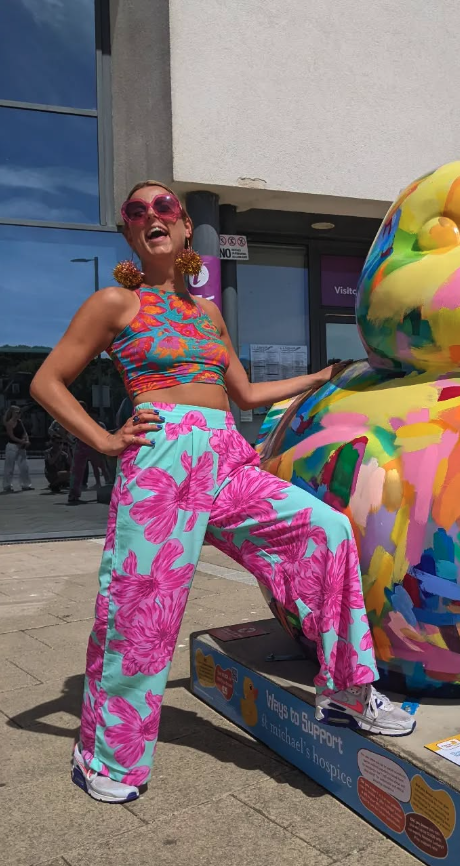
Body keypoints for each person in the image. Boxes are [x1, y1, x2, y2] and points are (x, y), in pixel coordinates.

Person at [30, 180, 413, 805]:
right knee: (141, 612)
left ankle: (347, 690)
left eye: (163, 208)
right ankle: (108, 755)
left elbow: (246, 395)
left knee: (326, 529)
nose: (150, 216)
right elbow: (48, 382)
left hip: (226, 454)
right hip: (161, 459)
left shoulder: (207, 314)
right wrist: (103, 440)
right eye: (136, 212)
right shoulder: (115, 302)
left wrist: (316, 377)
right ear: (130, 233)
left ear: (184, 230)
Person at [2, 405, 34, 493]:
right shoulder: (9, 423)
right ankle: (7, 486)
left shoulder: (20, 421)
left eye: (20, 412)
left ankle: (26, 485)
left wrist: (26, 440)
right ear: (12, 413)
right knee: (9, 467)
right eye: (17, 412)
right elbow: (11, 436)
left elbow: (24, 432)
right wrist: (22, 441)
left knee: (24, 467)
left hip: (21, 447)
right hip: (12, 447)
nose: (19, 414)